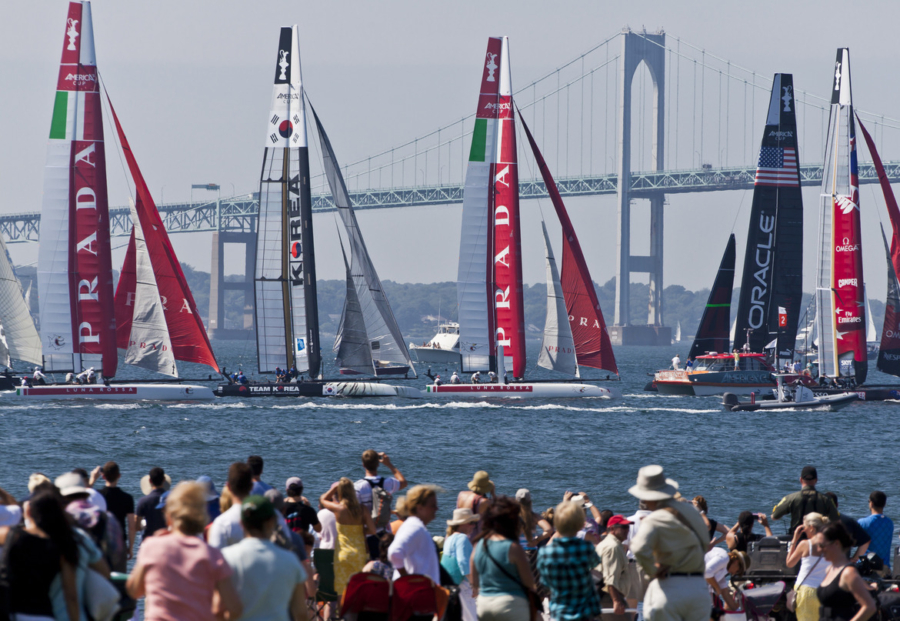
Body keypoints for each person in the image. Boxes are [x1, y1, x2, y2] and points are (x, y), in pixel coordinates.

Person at [127, 481, 242, 621]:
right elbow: (234, 608)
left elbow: (133, 590)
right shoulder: (213, 556)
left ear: (169, 517)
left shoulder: (152, 547)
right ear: (202, 516)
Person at [629, 465, 709, 621]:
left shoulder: (656, 517)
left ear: (646, 497)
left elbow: (638, 548)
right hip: (699, 589)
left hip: (670, 588)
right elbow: (704, 542)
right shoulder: (692, 512)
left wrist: (654, 570)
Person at [222, 495, 308, 621]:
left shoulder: (227, 558)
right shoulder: (290, 559)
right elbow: (300, 613)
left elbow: (218, 609)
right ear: (272, 521)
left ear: (241, 523)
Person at [0, 490, 81, 621]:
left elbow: (14, 507)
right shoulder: (63, 547)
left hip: (11, 612)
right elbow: (71, 595)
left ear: (28, 512)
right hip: (42, 614)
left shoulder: (11, 536)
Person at [470, 496, 534, 621]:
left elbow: (474, 582)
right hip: (511, 604)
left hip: (484, 604)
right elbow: (529, 582)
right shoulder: (513, 548)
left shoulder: (478, 545)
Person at [537, 498, 602, 621]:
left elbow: (545, 582)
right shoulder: (586, 545)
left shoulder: (546, 552)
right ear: (578, 522)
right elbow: (597, 568)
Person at [320, 477, 376, 596]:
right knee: (360, 590)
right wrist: (360, 531)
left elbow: (323, 499)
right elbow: (373, 530)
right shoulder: (362, 509)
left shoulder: (337, 509)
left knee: (342, 593)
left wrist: (334, 488)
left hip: (342, 554)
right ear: (352, 491)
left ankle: (342, 614)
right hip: (359, 553)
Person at [813, 522, 877, 621]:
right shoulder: (829, 569)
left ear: (836, 544)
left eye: (822, 545)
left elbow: (869, 606)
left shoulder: (848, 572)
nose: (818, 549)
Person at [354, 450, 407, 558]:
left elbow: (355, 514)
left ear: (363, 465)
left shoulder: (358, 487)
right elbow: (403, 482)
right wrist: (389, 465)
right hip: (385, 535)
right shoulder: (388, 483)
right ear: (378, 464)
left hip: (366, 535)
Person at [388, 484, 441, 583]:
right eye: (432, 505)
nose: (436, 509)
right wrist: (408, 581)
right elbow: (394, 552)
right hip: (415, 593)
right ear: (420, 508)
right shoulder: (414, 527)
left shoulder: (415, 526)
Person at [785, 512, 831, 621]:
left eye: (804, 527)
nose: (803, 530)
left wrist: (794, 540)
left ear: (811, 528)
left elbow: (789, 563)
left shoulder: (805, 544)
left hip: (806, 591)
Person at [771, 465, 839, 535]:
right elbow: (836, 521)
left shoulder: (790, 498)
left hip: (797, 539)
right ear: (816, 480)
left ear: (800, 480)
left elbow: (774, 516)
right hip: (818, 539)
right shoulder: (826, 499)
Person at [442, 508, 480, 621]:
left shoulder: (449, 538)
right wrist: (474, 585)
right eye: (471, 523)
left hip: (450, 583)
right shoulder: (462, 538)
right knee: (472, 616)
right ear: (463, 524)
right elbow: (463, 563)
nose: (474, 526)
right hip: (462, 583)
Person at [95, 461, 137, 566]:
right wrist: (130, 548)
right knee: (119, 579)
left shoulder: (98, 495)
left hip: (102, 543)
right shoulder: (127, 498)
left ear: (103, 476)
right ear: (119, 476)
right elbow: (131, 526)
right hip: (120, 543)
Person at [596, 514, 633, 619]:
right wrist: (616, 601)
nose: (627, 530)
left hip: (604, 597)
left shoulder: (610, 544)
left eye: (628, 527)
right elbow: (610, 577)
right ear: (612, 529)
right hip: (609, 598)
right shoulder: (612, 547)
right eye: (624, 527)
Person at [824, 493, 870, 562]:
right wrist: (854, 559)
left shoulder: (816, 522)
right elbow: (865, 541)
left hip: (821, 567)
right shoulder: (848, 521)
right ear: (837, 505)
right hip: (842, 565)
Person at [858, 490, 893, 575]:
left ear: (871, 503)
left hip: (866, 568)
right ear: (884, 504)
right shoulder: (890, 523)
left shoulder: (863, 522)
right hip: (885, 568)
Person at [136, 467, 171, 544]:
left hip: (149, 542)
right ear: (164, 479)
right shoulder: (172, 500)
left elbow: (137, 526)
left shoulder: (143, 501)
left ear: (150, 481)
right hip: (167, 542)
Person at [458, 470, 495, 539]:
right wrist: (493, 493)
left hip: (459, 534)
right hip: (474, 537)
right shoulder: (484, 501)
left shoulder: (461, 494)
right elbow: (498, 509)